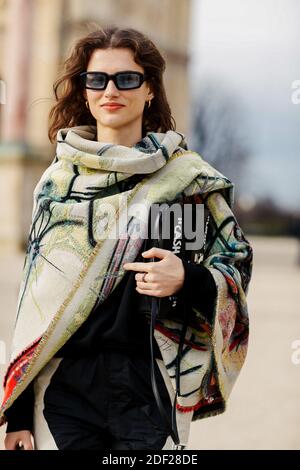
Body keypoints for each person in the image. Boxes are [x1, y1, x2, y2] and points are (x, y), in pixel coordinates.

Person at [1, 26, 253, 451]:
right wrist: (18, 415)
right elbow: (35, 303)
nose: (110, 90)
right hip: (65, 386)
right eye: (96, 80)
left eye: (127, 78)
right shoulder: (57, 183)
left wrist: (187, 278)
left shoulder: (188, 179)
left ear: (150, 89)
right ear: (83, 91)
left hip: (151, 383)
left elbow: (237, 259)